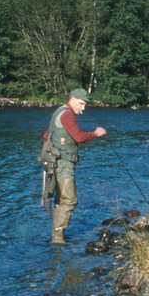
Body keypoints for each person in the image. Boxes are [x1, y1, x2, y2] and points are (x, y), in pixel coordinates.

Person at [44, 88, 107, 245]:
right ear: (72, 99)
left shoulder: (59, 111)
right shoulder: (67, 114)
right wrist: (95, 133)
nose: (83, 108)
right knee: (70, 200)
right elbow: (78, 137)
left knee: (61, 200)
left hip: (54, 162)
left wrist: (48, 159)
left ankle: (57, 238)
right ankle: (58, 239)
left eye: (85, 105)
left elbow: (46, 136)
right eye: (81, 104)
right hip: (63, 163)